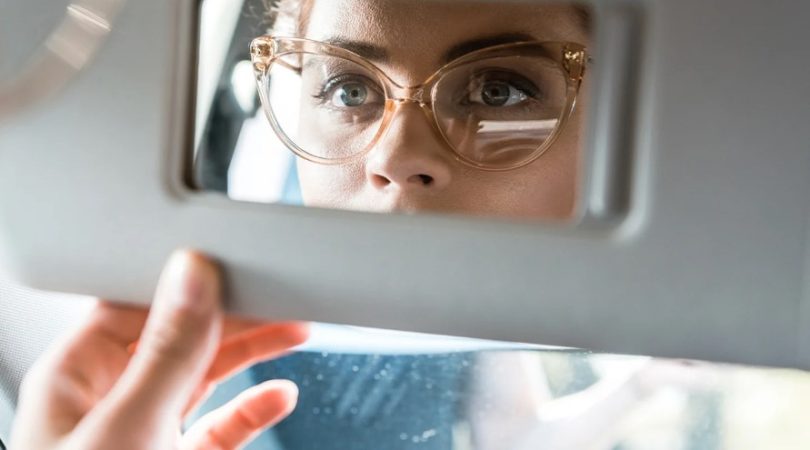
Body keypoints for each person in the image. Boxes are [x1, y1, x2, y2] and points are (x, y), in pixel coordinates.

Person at [12, 1, 709, 449]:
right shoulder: (235, 292)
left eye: (499, 91)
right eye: (349, 90)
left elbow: (516, 435)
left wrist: (638, 386)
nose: (397, 155)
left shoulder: (497, 313)